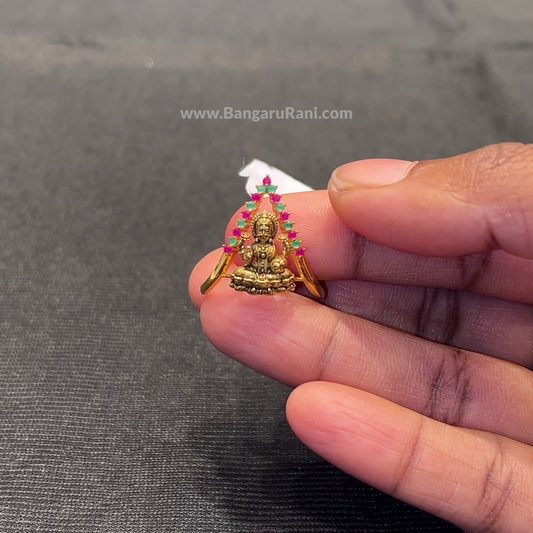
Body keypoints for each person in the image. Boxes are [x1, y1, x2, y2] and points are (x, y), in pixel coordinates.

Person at [189, 143, 533, 532]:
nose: (266, 232)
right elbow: (240, 262)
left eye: (269, 229)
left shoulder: (283, 242)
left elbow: (294, 264)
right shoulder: (258, 242)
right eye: (263, 230)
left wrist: (286, 269)